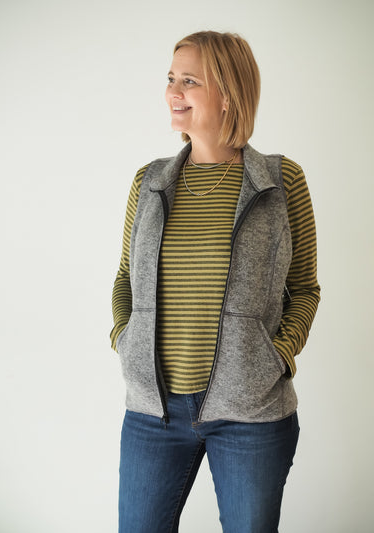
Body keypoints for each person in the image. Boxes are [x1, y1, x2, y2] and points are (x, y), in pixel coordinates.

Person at [110, 30, 320, 533]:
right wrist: (124, 337)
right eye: (170, 79)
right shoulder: (149, 181)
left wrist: (275, 355)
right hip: (152, 412)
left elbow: (304, 288)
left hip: (251, 414)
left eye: (189, 81)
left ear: (228, 92)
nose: (173, 91)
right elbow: (125, 277)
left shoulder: (280, 180)